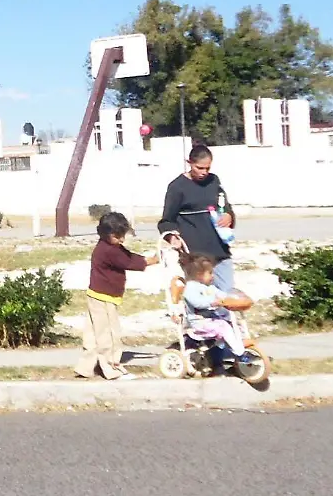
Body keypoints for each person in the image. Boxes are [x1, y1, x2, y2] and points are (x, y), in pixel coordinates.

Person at [75, 211, 152, 381]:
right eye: (119, 237)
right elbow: (128, 261)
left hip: (95, 294)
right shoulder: (109, 251)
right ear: (108, 234)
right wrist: (150, 261)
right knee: (108, 334)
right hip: (104, 297)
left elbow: (126, 255)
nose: (122, 240)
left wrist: (147, 259)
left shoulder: (107, 246)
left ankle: (86, 367)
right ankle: (111, 367)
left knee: (93, 334)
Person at [158, 145, 239, 295]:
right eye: (200, 168)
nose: (204, 173)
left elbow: (224, 205)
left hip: (219, 250)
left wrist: (229, 215)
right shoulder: (177, 187)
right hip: (195, 255)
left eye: (207, 168)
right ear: (189, 163)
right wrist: (172, 237)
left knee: (227, 295)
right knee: (201, 299)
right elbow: (167, 221)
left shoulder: (214, 181)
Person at [180, 254, 248, 362]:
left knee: (229, 323)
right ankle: (239, 353)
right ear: (199, 274)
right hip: (199, 323)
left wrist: (233, 298)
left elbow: (221, 294)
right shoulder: (190, 288)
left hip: (210, 320)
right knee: (224, 327)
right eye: (210, 273)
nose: (213, 276)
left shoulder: (209, 287)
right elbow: (197, 303)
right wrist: (212, 303)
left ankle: (225, 351)